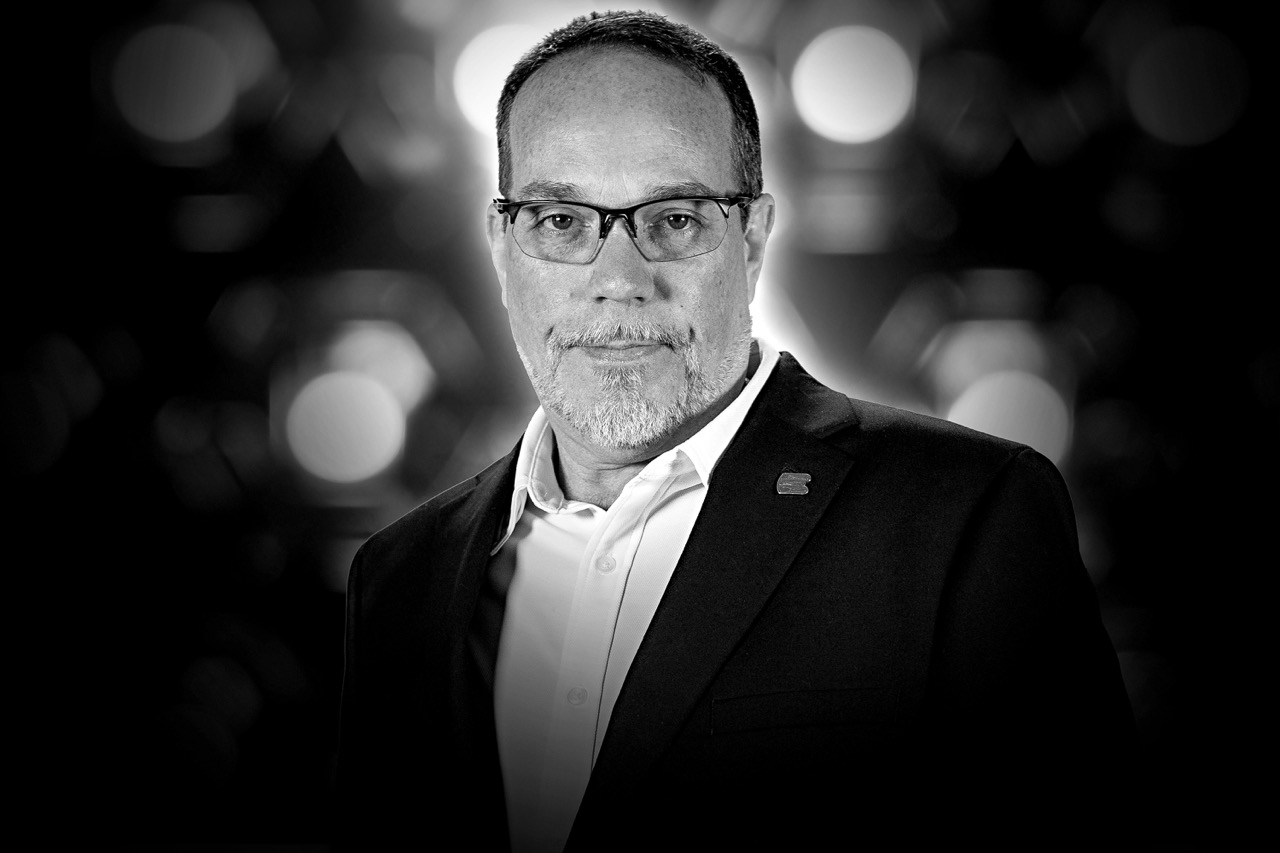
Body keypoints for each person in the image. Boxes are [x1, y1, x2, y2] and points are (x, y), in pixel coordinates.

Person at [335, 10, 1137, 850]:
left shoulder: (966, 518)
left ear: (752, 238)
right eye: (561, 221)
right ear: (503, 245)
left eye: (674, 218)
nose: (619, 279)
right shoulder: (398, 578)